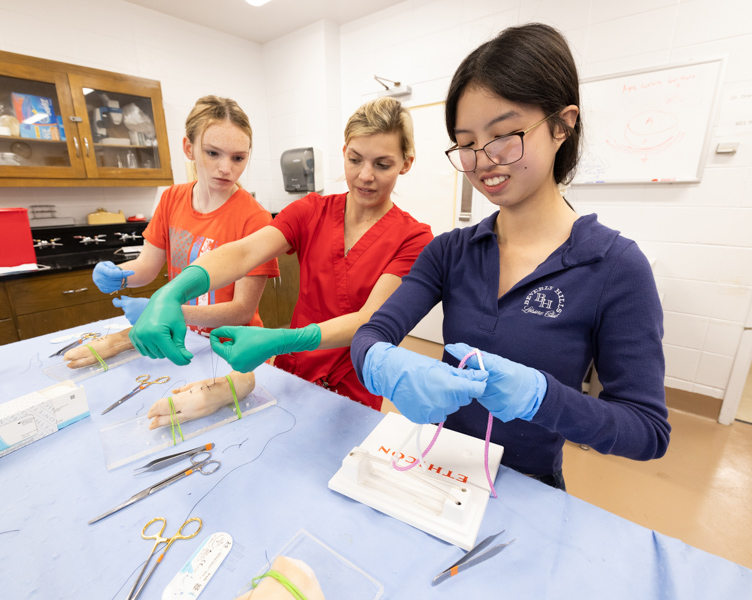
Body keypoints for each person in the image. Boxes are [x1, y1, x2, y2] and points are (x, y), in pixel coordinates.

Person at [350, 23, 671, 490]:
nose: (482, 160)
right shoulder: (451, 251)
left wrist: (543, 399)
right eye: (466, 143)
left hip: (529, 486)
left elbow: (646, 431)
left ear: (563, 123)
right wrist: (381, 362)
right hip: (440, 471)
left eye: (504, 136)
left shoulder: (614, 267)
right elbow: (371, 332)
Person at [128, 97, 434, 410]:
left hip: (353, 382)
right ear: (344, 152)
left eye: (382, 165)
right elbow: (244, 252)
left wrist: (282, 339)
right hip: (292, 374)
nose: (365, 176)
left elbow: (370, 320)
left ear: (406, 163)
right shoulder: (313, 210)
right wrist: (174, 291)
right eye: (355, 160)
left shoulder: (413, 238)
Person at [88, 95, 279, 353]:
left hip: (232, 347)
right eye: (213, 153)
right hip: (184, 338)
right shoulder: (171, 199)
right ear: (189, 148)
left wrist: (167, 309)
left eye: (238, 158)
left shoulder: (254, 218)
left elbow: (242, 310)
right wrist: (118, 275)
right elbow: (147, 267)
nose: (225, 168)